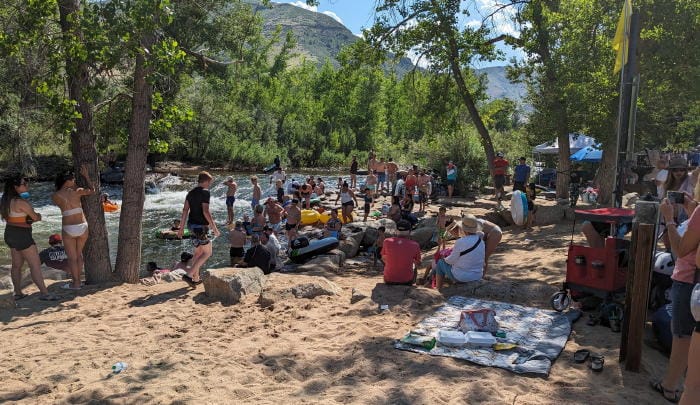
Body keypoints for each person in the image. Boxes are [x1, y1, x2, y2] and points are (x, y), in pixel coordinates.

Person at [652, 191, 700, 403]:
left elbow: (680, 250)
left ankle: (670, 386)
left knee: (682, 337)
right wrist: (692, 214)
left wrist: (669, 220)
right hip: (691, 282)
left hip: (689, 282)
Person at [1, 175, 57, 300]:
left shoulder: (5, 201)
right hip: (22, 235)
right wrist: (38, 216)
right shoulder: (21, 202)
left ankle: (18, 293)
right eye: (24, 183)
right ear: (15, 187)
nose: (27, 185)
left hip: (10, 233)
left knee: (16, 265)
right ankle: (45, 294)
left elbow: (11, 219)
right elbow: (36, 217)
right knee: (35, 265)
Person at [52, 165, 94, 290]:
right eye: (73, 178)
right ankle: (79, 282)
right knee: (79, 255)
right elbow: (92, 190)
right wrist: (86, 176)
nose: (75, 180)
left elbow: (65, 195)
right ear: (69, 180)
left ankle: (75, 283)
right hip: (82, 226)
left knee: (72, 258)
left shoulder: (55, 195)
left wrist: (71, 184)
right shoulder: (77, 191)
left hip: (68, 227)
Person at [177, 171, 220, 287]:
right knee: (208, 252)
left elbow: (185, 210)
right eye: (209, 182)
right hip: (201, 227)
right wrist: (214, 227)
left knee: (198, 252)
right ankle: (189, 275)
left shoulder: (190, 193)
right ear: (205, 181)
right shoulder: (205, 192)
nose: (210, 184)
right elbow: (206, 211)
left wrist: (181, 228)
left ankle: (195, 278)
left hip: (191, 226)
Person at [433, 214, 486, 288]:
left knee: (440, 263)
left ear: (463, 228)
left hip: (462, 277)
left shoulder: (460, 241)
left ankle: (438, 289)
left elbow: (451, 261)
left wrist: (444, 259)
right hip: (477, 275)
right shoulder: (481, 241)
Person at [381, 219, 422, 285]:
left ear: (396, 230)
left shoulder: (386, 241)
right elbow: (418, 263)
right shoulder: (415, 245)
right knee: (415, 266)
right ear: (409, 231)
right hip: (406, 281)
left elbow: (383, 258)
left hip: (388, 280)